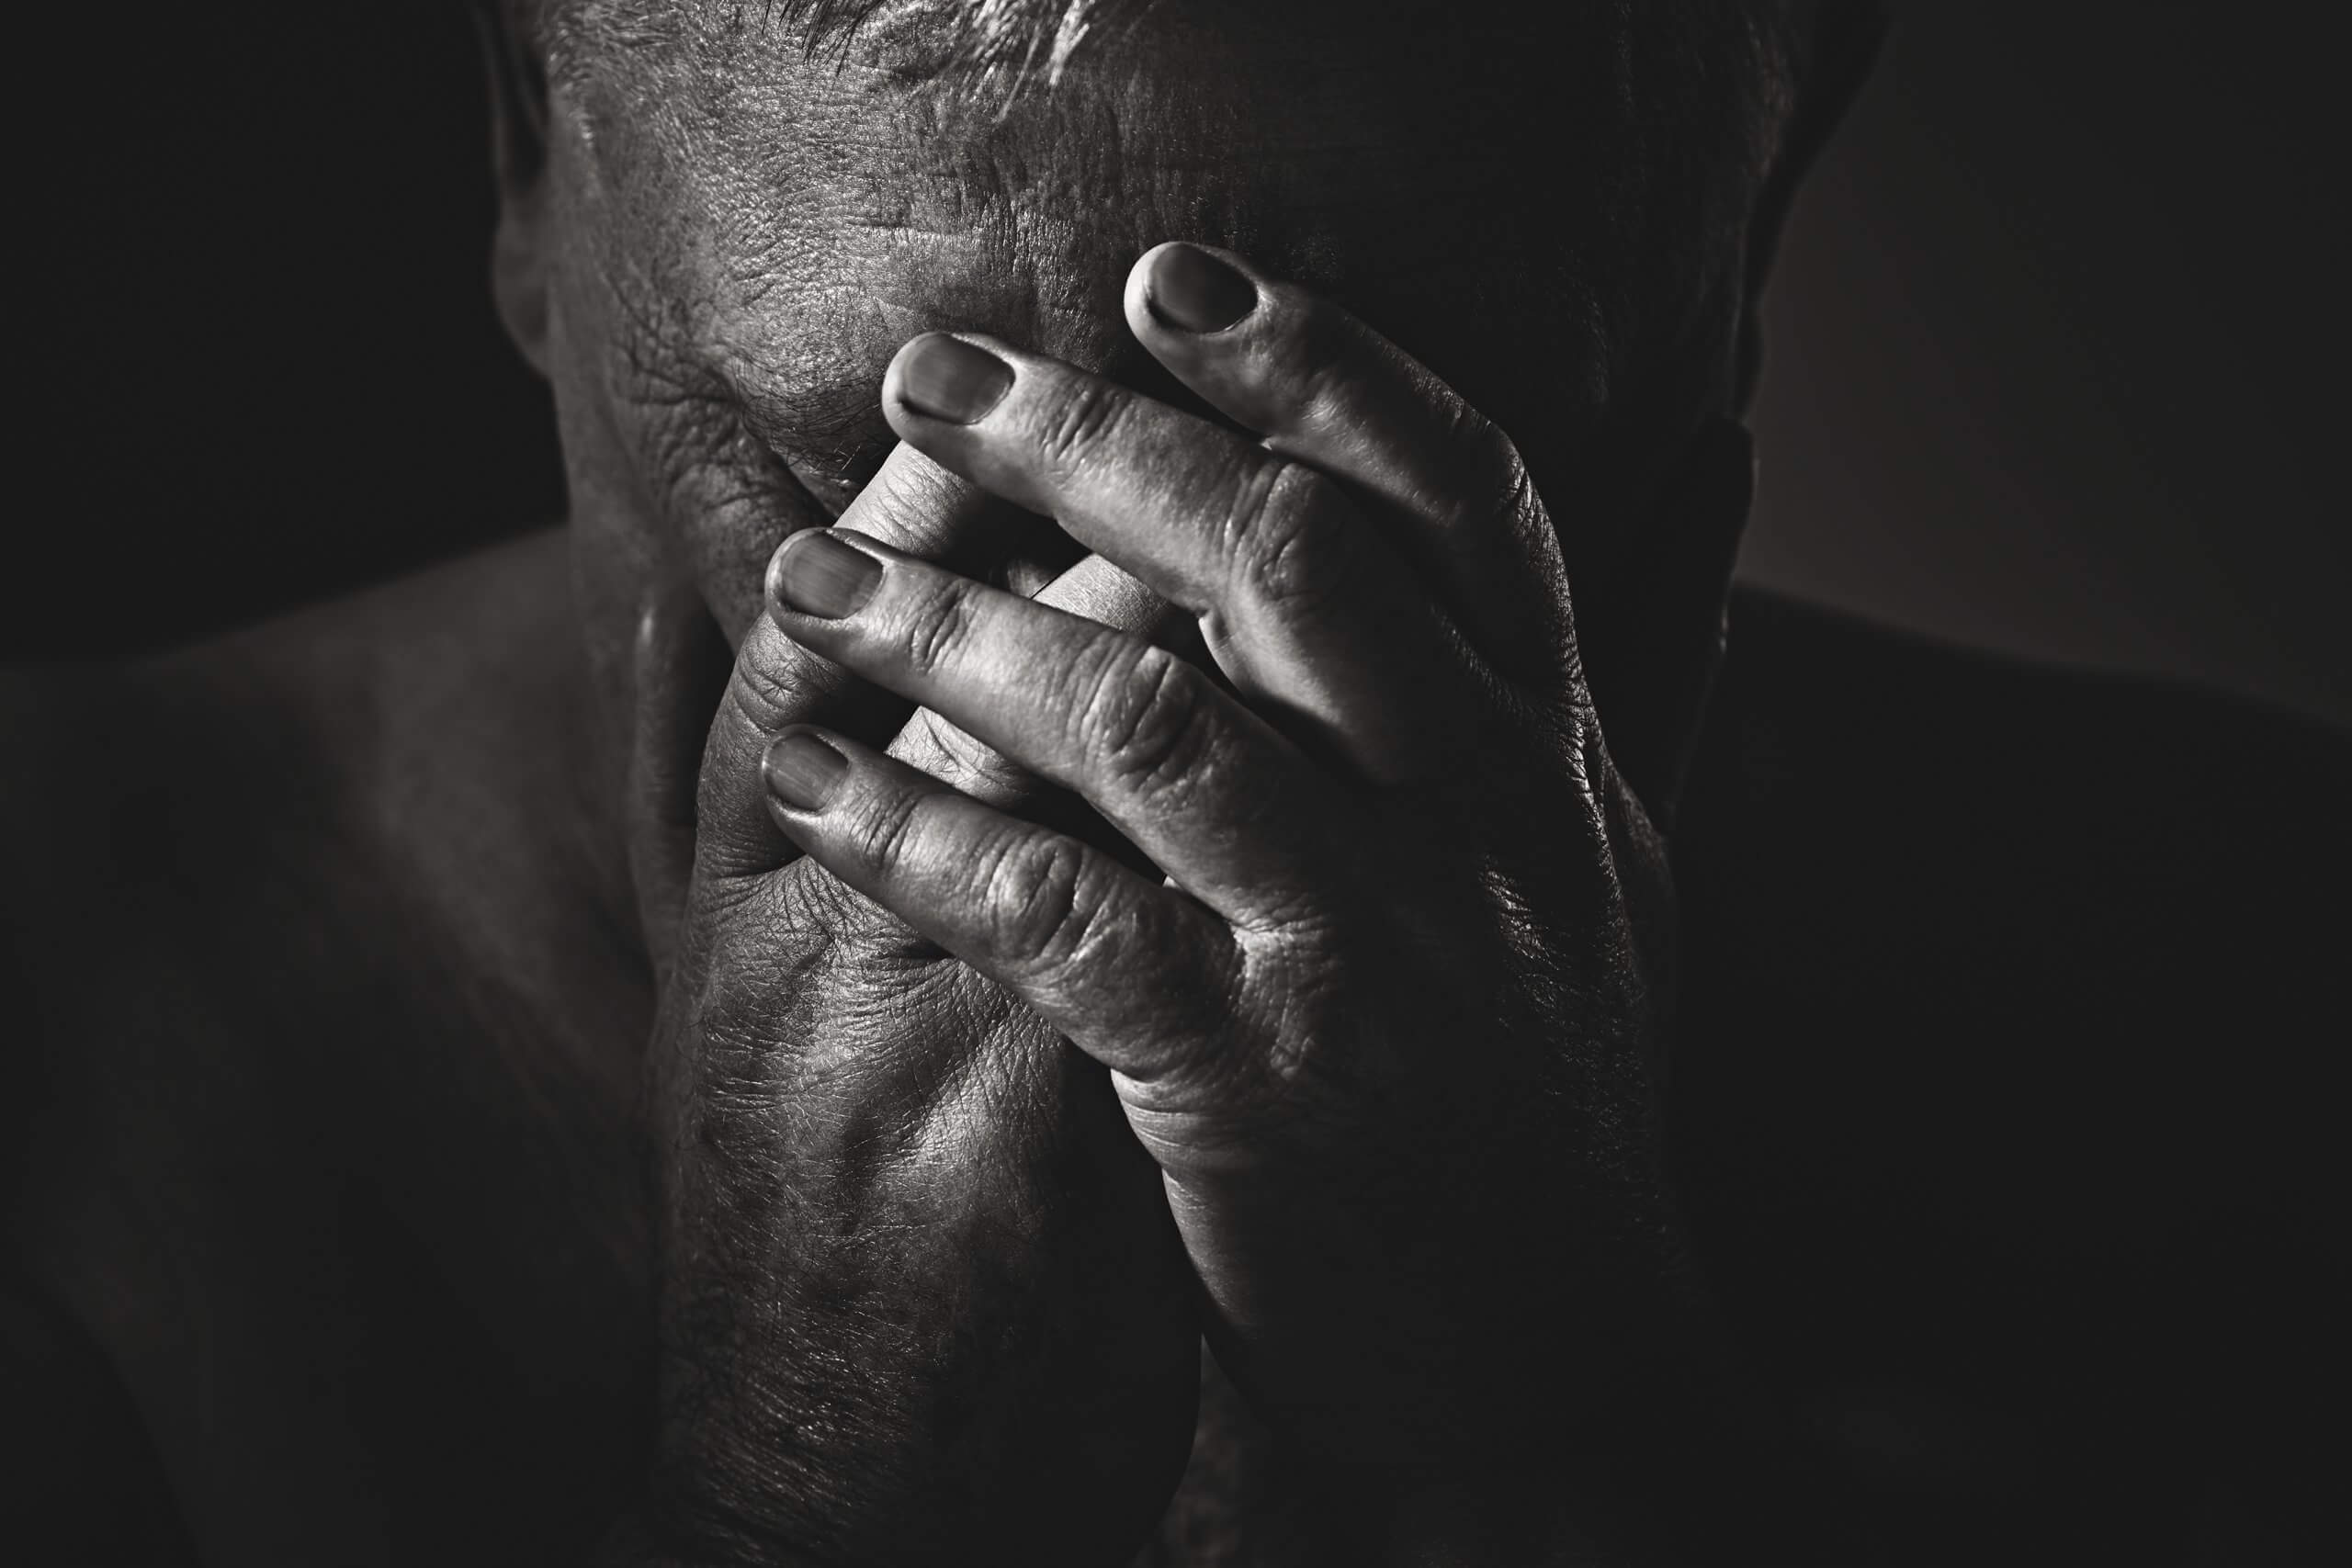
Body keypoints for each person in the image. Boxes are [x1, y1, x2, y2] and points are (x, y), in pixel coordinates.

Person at [5, 1, 2344, 1562]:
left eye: (1369, 479)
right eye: (891, 473)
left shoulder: (2255, 1032)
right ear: (535, 166)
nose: (1112, 696)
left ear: (1739, 221)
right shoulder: (62, 1052)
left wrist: (1548, 1466)